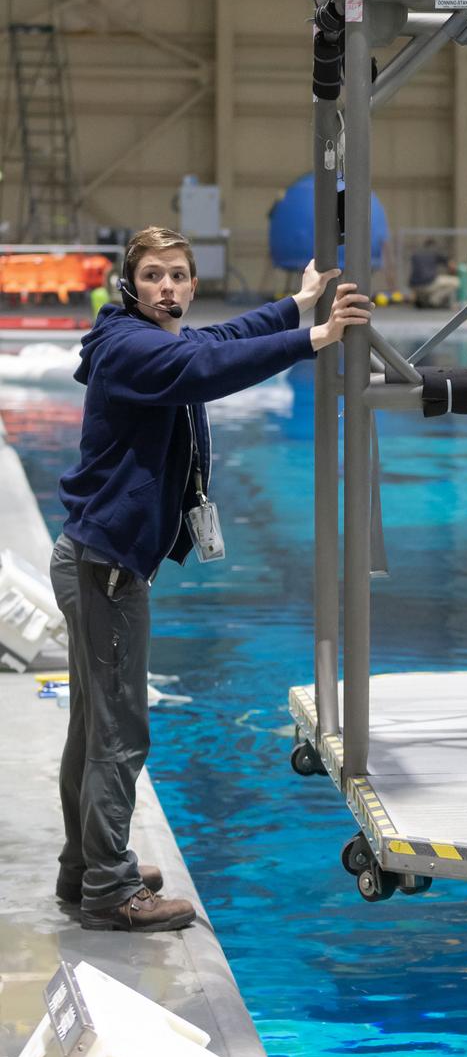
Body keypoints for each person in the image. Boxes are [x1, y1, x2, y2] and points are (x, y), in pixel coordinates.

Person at [51, 225, 370, 933]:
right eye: (153, 275)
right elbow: (207, 368)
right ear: (130, 285)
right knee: (118, 735)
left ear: (193, 285)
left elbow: (217, 342)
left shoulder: (152, 337)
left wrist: (296, 305)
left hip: (97, 561)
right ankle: (109, 889)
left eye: (178, 275)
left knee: (93, 726)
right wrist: (313, 340)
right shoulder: (131, 347)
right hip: (105, 571)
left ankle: (86, 865)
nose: (166, 286)